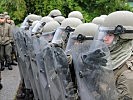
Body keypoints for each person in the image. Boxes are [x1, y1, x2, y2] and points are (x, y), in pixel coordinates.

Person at [97, 11, 133, 99]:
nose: (104, 38)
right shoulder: (110, 59)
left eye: (110, 35)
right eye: (105, 34)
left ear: (123, 39)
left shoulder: (127, 74)